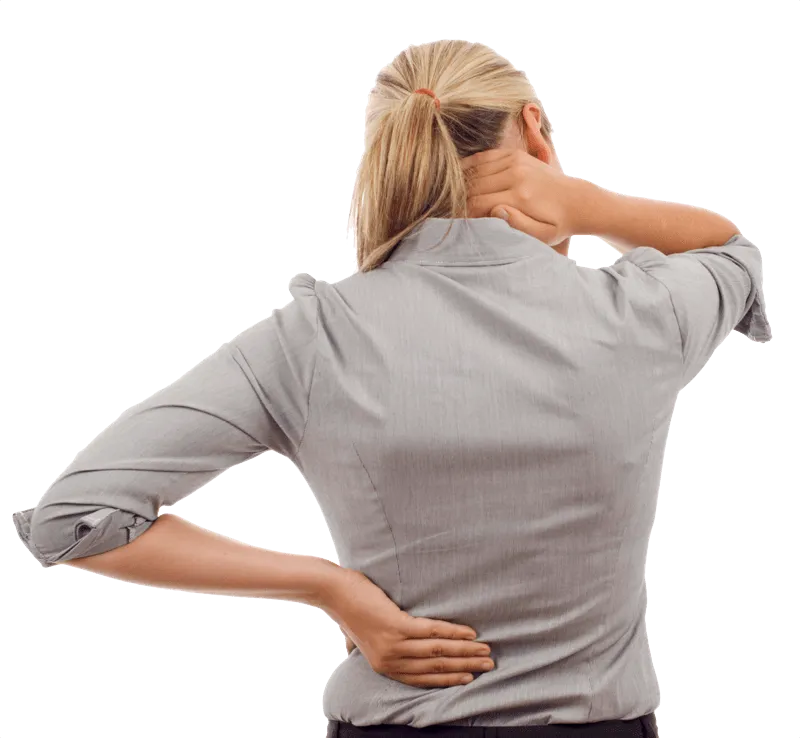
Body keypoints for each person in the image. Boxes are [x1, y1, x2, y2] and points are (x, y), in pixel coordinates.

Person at [13, 40, 769, 738]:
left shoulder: (316, 335)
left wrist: (328, 586)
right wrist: (584, 205)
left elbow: (72, 521)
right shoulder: (643, 311)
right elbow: (738, 257)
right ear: (534, 129)